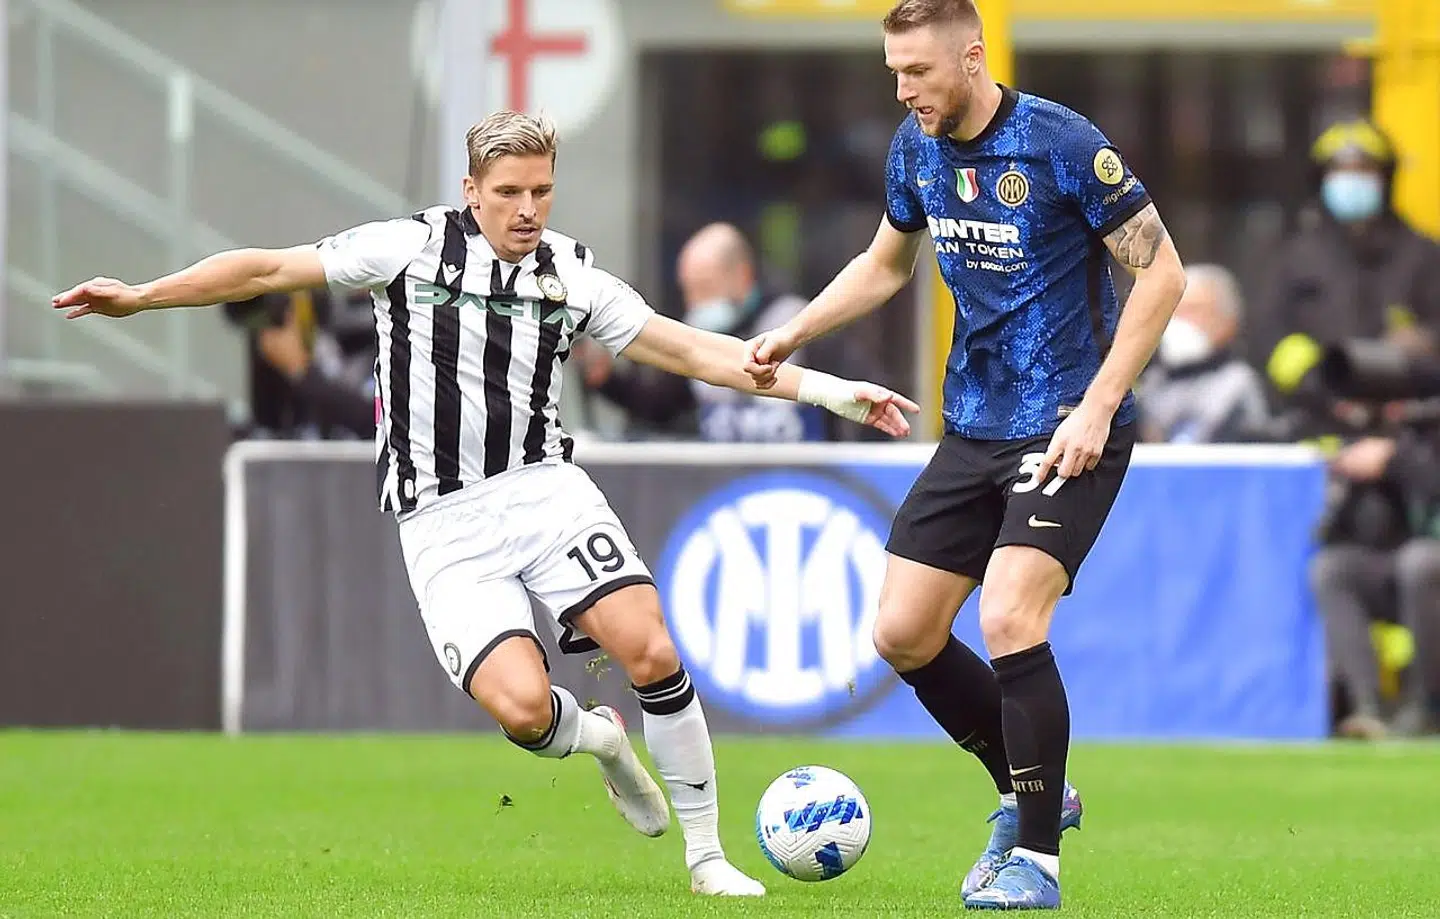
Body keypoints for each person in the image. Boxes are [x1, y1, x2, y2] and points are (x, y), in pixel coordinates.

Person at [51, 110, 919, 897]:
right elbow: (271, 267)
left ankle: (706, 858)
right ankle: (605, 742)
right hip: (442, 523)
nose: (528, 208)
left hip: (545, 492)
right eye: (508, 193)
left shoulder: (573, 275)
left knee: (650, 645)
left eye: (541, 190)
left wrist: (832, 391)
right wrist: (142, 294)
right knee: (525, 710)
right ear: (472, 191)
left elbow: (694, 352)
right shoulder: (406, 248)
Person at [743, 0, 1186, 909]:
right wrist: (793, 332)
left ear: (973, 58)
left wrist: (1099, 405)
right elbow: (885, 263)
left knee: (1013, 615)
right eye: (894, 73)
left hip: (1068, 424)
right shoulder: (916, 146)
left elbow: (1164, 270)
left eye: (918, 72)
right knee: (902, 631)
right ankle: (1037, 796)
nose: (904, 91)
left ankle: (1036, 863)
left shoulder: (1060, 144)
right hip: (973, 427)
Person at [580, 221, 889, 442]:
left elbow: (858, 395)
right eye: (688, 291)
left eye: (704, 287)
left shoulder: (796, 325)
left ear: (742, 275)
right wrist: (609, 382)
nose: (695, 303)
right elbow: (661, 403)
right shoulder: (698, 337)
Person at [1136, 264, 1269, 444]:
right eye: (1174, 310)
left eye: (1193, 310)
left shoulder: (1237, 387)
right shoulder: (1150, 384)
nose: (1179, 320)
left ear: (1227, 323)